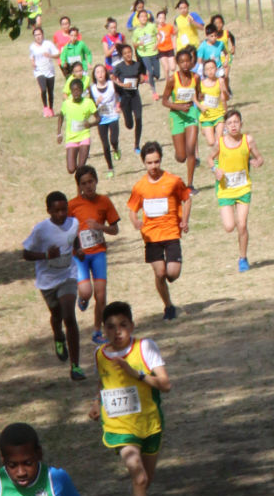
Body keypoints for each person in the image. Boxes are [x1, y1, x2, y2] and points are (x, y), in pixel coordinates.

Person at [87, 301, 172, 496]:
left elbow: (165, 384)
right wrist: (96, 403)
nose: (117, 332)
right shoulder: (101, 354)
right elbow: (105, 382)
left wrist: (135, 374)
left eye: (123, 325)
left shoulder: (145, 347)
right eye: (111, 327)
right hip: (119, 428)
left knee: (145, 479)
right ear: (103, 330)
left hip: (149, 424)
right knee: (137, 472)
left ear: (132, 326)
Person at [22, 191, 87, 379]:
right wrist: (45, 256)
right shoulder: (41, 230)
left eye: (64, 210)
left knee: (69, 315)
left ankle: (75, 366)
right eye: (56, 211)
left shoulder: (73, 223)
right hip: (47, 280)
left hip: (68, 275)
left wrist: (78, 250)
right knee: (57, 314)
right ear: (49, 210)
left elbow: (74, 237)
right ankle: (58, 335)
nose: (61, 214)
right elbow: (26, 254)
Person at [127, 142, 191, 320]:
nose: (153, 166)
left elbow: (187, 198)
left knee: (172, 273)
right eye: (149, 163)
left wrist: (184, 220)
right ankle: (168, 306)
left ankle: (166, 282)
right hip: (151, 236)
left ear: (161, 160)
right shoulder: (140, 186)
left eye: (156, 162)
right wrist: (135, 221)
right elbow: (132, 209)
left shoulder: (173, 181)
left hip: (171, 233)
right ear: (144, 163)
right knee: (160, 272)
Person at [68, 165, 120, 345]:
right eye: (84, 183)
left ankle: (98, 330)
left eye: (91, 181)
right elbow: (67, 231)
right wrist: (77, 247)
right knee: (86, 291)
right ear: (79, 186)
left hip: (98, 253)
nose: (88, 186)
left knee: (101, 295)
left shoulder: (104, 202)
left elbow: (115, 229)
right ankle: (82, 299)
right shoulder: (72, 205)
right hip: (80, 256)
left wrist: (101, 227)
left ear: (96, 181)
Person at [209, 109, 264, 272]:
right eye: (230, 123)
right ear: (225, 126)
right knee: (229, 226)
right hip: (225, 190)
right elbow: (210, 159)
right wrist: (215, 170)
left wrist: (257, 162)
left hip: (243, 188)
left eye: (236, 122)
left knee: (242, 225)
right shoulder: (220, 142)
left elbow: (260, 158)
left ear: (241, 124)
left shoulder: (248, 140)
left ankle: (243, 258)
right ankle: (242, 256)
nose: (233, 126)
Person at [160, 46, 200, 191]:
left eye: (187, 61)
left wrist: (202, 100)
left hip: (191, 115)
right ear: (177, 63)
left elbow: (199, 94)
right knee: (182, 156)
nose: (185, 64)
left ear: (191, 62)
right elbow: (164, 101)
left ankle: (189, 185)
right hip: (176, 115)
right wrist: (179, 107)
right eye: (182, 62)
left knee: (191, 151)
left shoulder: (196, 77)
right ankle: (178, 153)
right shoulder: (172, 80)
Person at [56, 78, 99, 177]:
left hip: (84, 136)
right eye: (74, 90)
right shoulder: (66, 104)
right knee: (71, 169)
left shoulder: (88, 102)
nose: (76, 92)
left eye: (78, 90)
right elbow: (60, 117)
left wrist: (91, 124)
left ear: (82, 90)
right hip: (71, 138)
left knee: (80, 169)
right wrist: (59, 133)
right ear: (70, 91)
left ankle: (80, 190)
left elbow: (99, 118)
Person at [111, 44, 146, 155]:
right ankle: (127, 120)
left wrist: (141, 80)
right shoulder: (119, 67)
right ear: (122, 55)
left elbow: (141, 77)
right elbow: (113, 79)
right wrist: (121, 84)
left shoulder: (137, 65)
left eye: (129, 52)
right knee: (129, 125)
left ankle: (137, 144)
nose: (128, 55)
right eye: (125, 53)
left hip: (135, 95)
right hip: (125, 97)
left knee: (139, 118)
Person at [89, 64, 121, 176]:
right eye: (97, 72)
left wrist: (118, 105)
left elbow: (119, 95)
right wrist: (96, 103)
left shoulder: (112, 84)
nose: (100, 74)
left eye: (102, 71)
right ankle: (110, 168)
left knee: (113, 140)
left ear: (106, 73)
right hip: (101, 119)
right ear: (94, 75)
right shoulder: (92, 89)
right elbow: (90, 106)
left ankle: (116, 149)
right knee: (105, 145)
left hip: (113, 116)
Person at [195, 59, 227, 150]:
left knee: (219, 140)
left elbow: (224, 98)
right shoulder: (201, 84)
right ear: (204, 72)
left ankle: (219, 161)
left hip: (219, 114)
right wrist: (200, 107)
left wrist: (226, 114)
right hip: (206, 117)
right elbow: (195, 99)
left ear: (216, 69)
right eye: (207, 69)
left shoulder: (219, 81)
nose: (210, 71)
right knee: (211, 142)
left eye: (212, 68)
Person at [30, 27, 61, 117]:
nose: (38, 37)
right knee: (43, 89)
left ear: (42, 35)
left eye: (39, 34)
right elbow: (32, 56)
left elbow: (58, 54)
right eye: (36, 35)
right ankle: (45, 108)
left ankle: (51, 108)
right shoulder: (32, 46)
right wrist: (33, 63)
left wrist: (50, 55)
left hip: (49, 70)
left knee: (50, 91)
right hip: (39, 71)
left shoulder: (48, 44)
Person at [132, 9, 160, 99]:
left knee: (157, 74)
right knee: (150, 72)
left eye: (145, 16)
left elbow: (159, 35)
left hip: (154, 52)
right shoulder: (136, 31)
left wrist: (157, 44)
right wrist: (139, 44)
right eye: (141, 16)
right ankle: (154, 92)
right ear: (138, 19)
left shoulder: (152, 26)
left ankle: (152, 78)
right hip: (144, 54)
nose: (144, 18)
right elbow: (134, 44)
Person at [211, 14, 236, 95]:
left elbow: (232, 37)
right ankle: (224, 91)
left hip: (226, 57)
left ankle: (227, 88)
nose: (218, 25)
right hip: (217, 59)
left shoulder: (226, 33)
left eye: (220, 23)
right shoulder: (212, 36)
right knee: (219, 78)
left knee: (225, 75)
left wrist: (233, 47)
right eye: (216, 23)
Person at [155, 9, 177, 84]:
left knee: (173, 68)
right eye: (160, 18)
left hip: (170, 48)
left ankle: (174, 79)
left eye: (163, 18)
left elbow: (174, 34)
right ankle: (168, 83)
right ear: (157, 19)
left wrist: (174, 43)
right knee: (166, 68)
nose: (162, 20)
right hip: (161, 50)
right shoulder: (155, 29)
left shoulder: (169, 26)